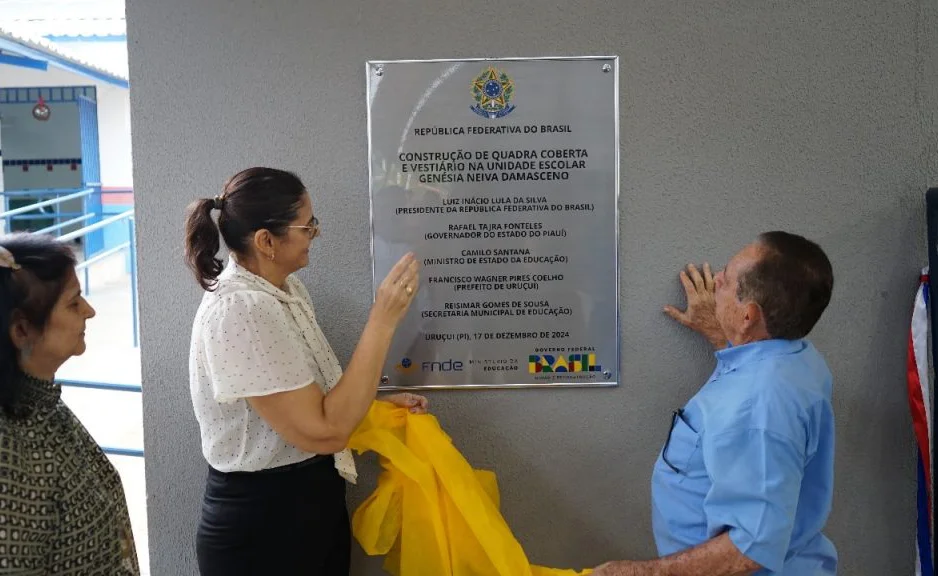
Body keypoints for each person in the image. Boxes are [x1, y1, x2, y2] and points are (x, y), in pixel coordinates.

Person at [185, 167, 428, 576]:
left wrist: (373, 408)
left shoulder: (286, 291)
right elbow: (324, 431)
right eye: (307, 225)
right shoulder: (241, 309)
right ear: (267, 241)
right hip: (266, 526)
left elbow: (311, 406)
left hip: (309, 504)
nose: (316, 233)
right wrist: (382, 321)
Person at [593, 231, 837, 576]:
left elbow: (750, 549)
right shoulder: (796, 357)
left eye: (727, 279)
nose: (717, 278)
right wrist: (722, 331)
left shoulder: (760, 408)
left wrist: (637, 573)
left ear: (749, 316)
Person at [0, 233, 139, 574]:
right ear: (21, 330)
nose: (90, 311)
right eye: (75, 302)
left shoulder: (42, 405)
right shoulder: (10, 453)